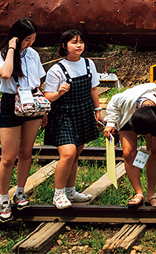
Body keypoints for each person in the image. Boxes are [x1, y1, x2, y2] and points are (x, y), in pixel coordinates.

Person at [0, 18, 47, 222]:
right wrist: (13, 49)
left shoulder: (33, 54)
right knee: (8, 156)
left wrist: (44, 111)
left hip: (33, 101)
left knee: (26, 152)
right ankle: (3, 198)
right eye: (26, 39)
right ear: (16, 37)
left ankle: (20, 191)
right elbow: (5, 74)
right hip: (10, 103)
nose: (30, 43)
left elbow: (38, 82)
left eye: (33, 39)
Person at [42, 30, 102, 209]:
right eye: (74, 42)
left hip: (83, 112)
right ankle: (58, 193)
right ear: (63, 46)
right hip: (63, 115)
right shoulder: (56, 69)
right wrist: (59, 92)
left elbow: (93, 89)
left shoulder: (89, 63)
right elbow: (47, 97)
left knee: (76, 155)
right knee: (67, 154)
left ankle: (70, 191)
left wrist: (98, 110)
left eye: (81, 42)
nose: (79, 45)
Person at [103, 83, 156, 207]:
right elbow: (113, 102)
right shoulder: (127, 99)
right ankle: (139, 193)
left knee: (154, 152)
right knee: (128, 153)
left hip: (152, 117)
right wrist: (110, 122)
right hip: (129, 115)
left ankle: (150, 195)